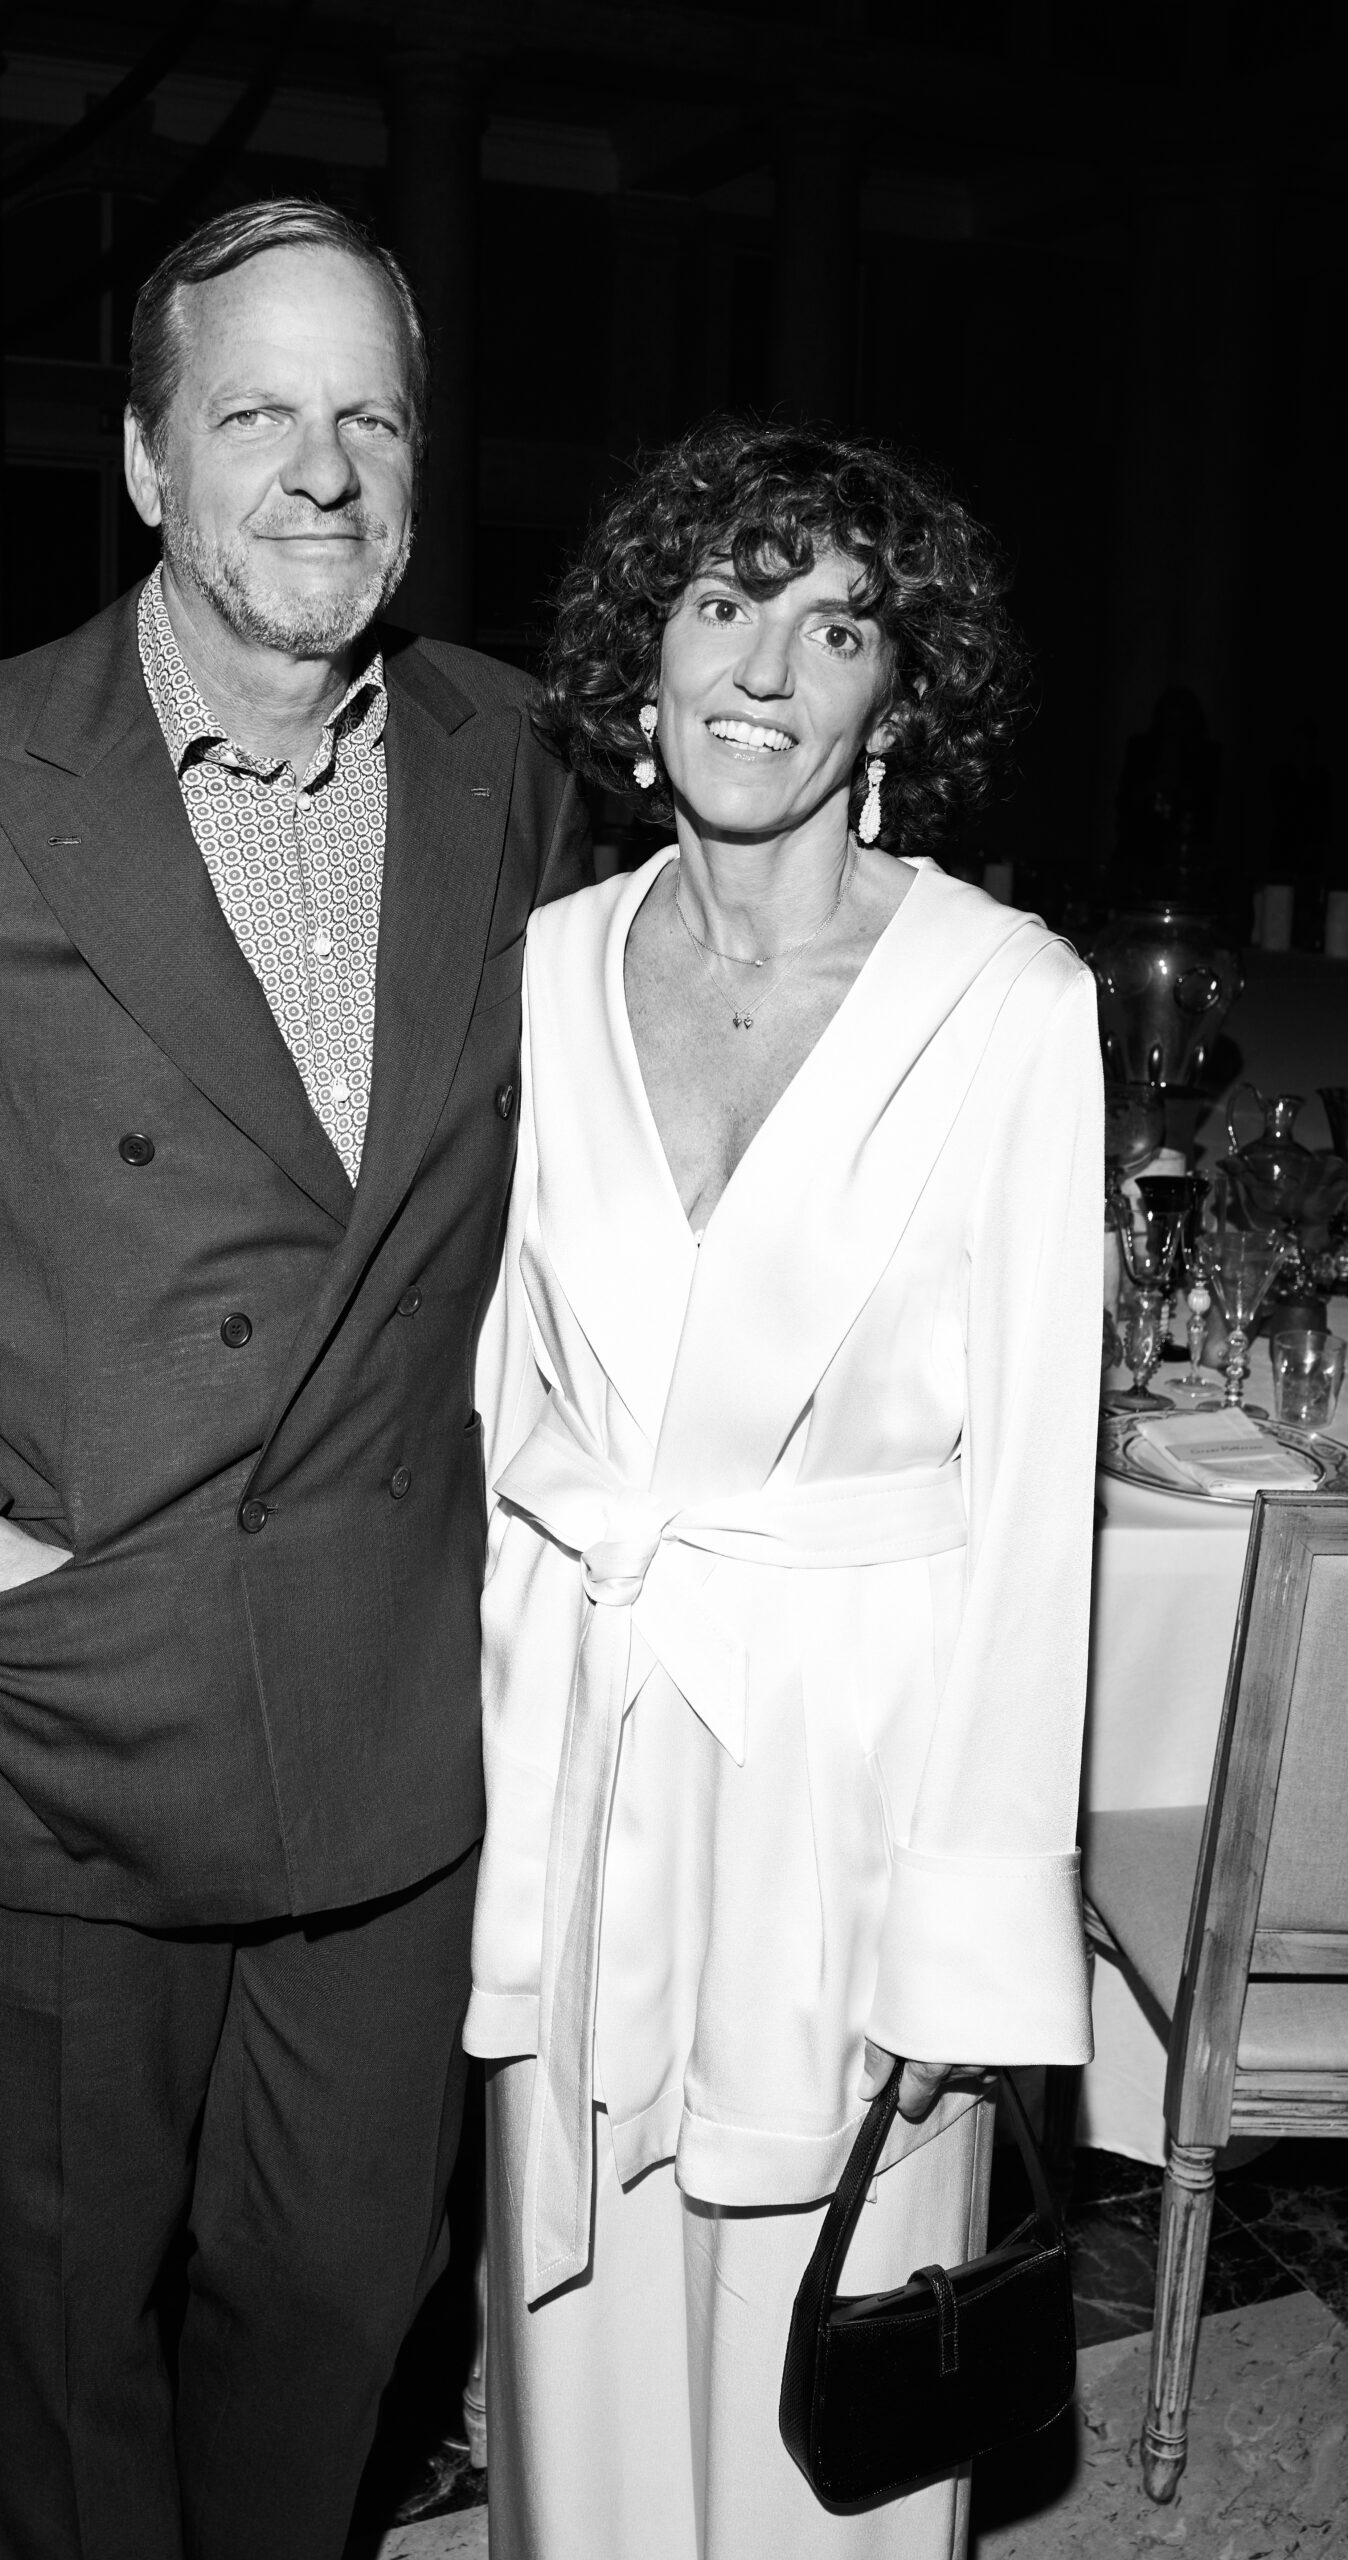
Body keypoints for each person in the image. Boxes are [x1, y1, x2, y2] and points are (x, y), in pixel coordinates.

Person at [0, 198, 588, 2560]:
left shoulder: (513, 759)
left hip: (389, 1709)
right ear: (151, 463)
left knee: (345, 2298)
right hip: (56, 1712)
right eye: (255, 412)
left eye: (368, 414)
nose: (320, 467)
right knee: (72, 2363)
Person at [467, 420, 1102, 2559]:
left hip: (845, 1809)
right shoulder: (550, 971)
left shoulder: (1004, 1004)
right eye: (721, 603)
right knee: (576, 2401)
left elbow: (1030, 1518)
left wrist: (965, 1951)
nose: (760, 667)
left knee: (822, 2421)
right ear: (638, 658)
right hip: (583, 1781)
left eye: (833, 629)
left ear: (894, 700)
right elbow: (494, 1406)